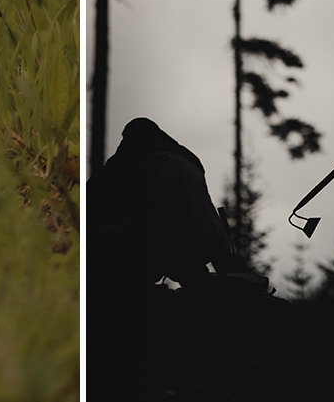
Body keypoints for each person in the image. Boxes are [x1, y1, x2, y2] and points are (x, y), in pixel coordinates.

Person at [87, 116, 249, 293]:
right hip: (212, 238)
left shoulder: (132, 154)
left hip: (170, 241)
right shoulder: (189, 158)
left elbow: (96, 192)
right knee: (203, 280)